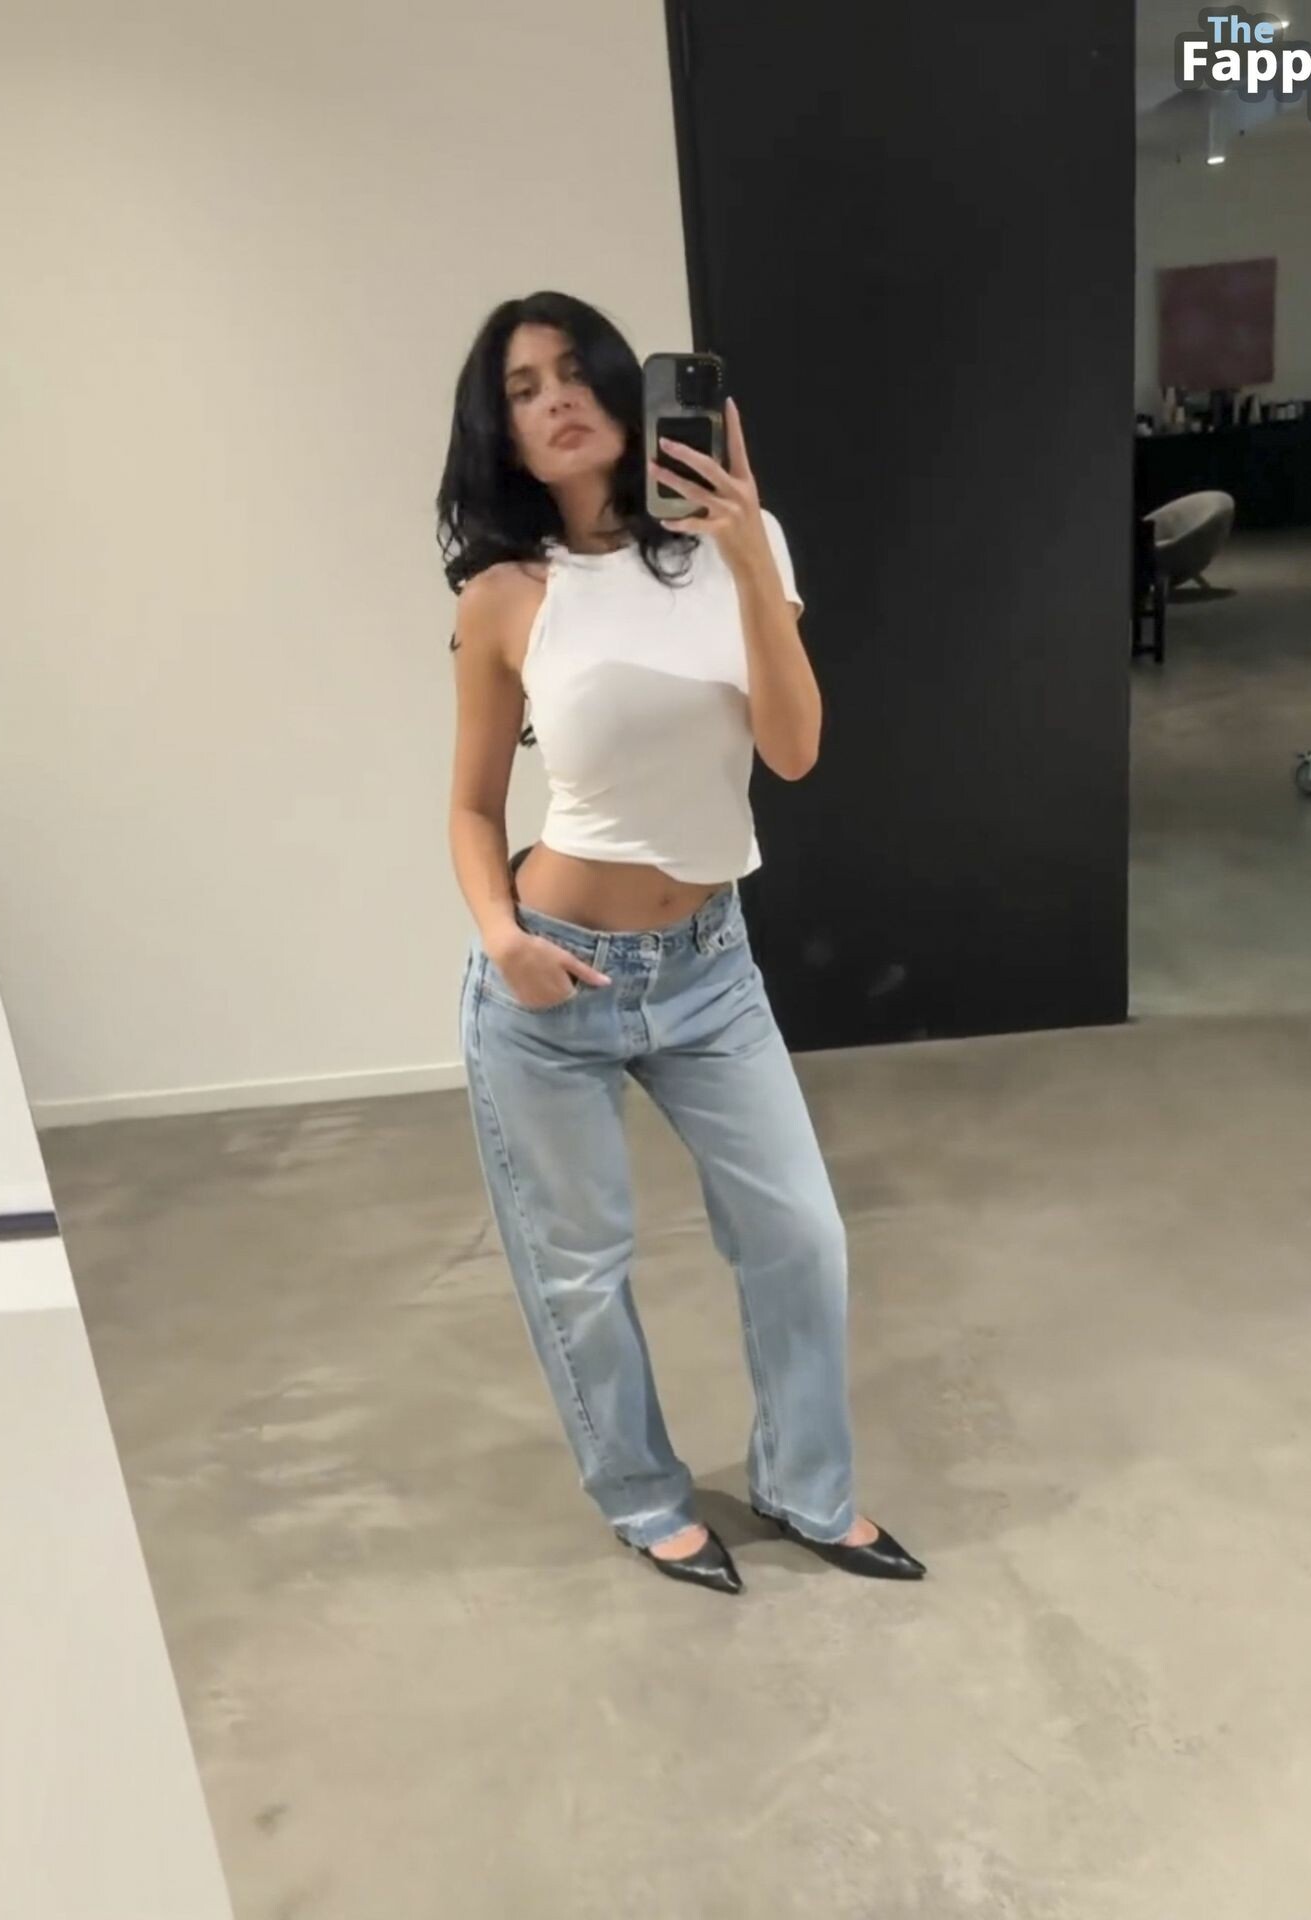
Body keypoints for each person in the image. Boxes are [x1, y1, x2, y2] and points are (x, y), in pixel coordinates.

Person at [436, 290, 925, 1595]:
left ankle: (808, 1489)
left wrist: (751, 557)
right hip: (552, 980)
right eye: (522, 388)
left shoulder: (737, 548)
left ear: (623, 386)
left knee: (800, 1236)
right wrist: (500, 935)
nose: (555, 398)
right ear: (502, 433)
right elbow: (474, 806)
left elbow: (794, 752)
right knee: (580, 1272)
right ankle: (643, 1497)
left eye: (572, 371)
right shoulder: (505, 597)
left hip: (711, 972)